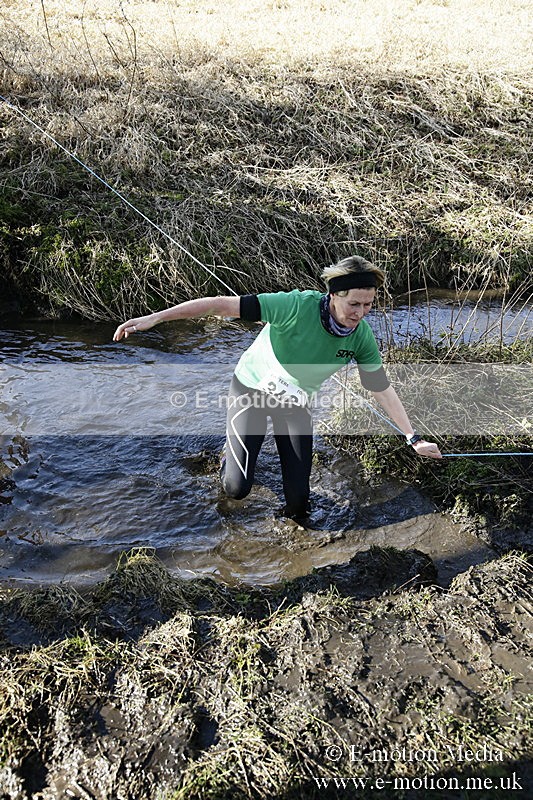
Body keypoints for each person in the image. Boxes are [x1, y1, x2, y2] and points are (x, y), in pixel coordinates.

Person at [113, 255, 442, 521]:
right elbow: (218, 304)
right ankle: (228, 455)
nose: (360, 313)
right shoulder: (294, 307)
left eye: (368, 305)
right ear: (333, 295)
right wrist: (155, 318)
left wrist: (412, 438)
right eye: (354, 304)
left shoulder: (361, 337)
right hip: (251, 391)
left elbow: (380, 388)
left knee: (299, 502)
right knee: (236, 489)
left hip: (295, 404)